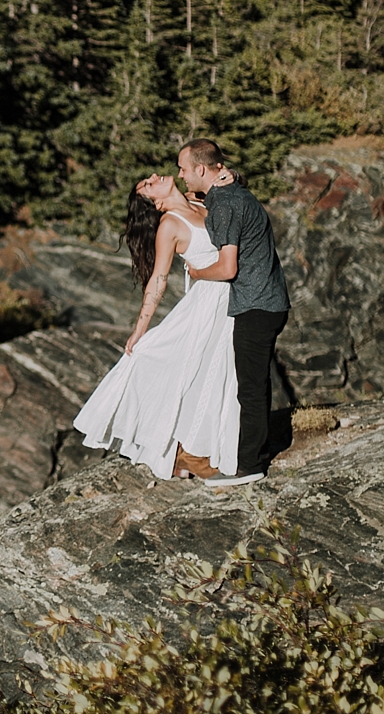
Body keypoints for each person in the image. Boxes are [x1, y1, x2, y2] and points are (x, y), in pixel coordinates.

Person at [73, 171, 239, 481]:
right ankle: (185, 452)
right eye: (148, 185)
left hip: (231, 297)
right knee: (199, 374)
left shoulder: (197, 200)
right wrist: (140, 329)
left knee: (222, 374)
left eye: (148, 179)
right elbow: (158, 281)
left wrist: (233, 176)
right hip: (207, 305)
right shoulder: (171, 225)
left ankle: (209, 447)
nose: (153, 176)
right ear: (155, 203)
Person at [177, 138, 289, 488]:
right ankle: (250, 454)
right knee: (255, 384)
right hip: (268, 301)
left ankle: (251, 465)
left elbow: (227, 268)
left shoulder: (225, 204)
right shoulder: (232, 193)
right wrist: (228, 176)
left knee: (251, 389)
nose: (180, 176)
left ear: (201, 169)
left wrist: (196, 273)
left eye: (183, 169)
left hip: (255, 305)